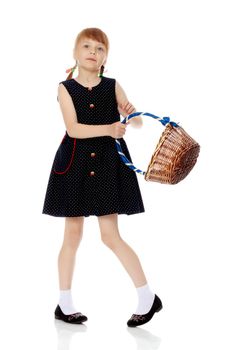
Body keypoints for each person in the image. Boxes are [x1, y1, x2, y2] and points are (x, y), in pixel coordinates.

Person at [42, 27, 162, 327]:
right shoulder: (64, 88)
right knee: (72, 235)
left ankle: (148, 297)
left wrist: (131, 115)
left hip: (108, 164)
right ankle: (64, 303)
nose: (92, 52)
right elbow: (74, 129)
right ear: (75, 53)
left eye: (99, 48)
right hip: (75, 164)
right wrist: (109, 129)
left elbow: (133, 124)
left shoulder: (112, 85)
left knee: (110, 235)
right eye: (87, 46)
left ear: (105, 56)